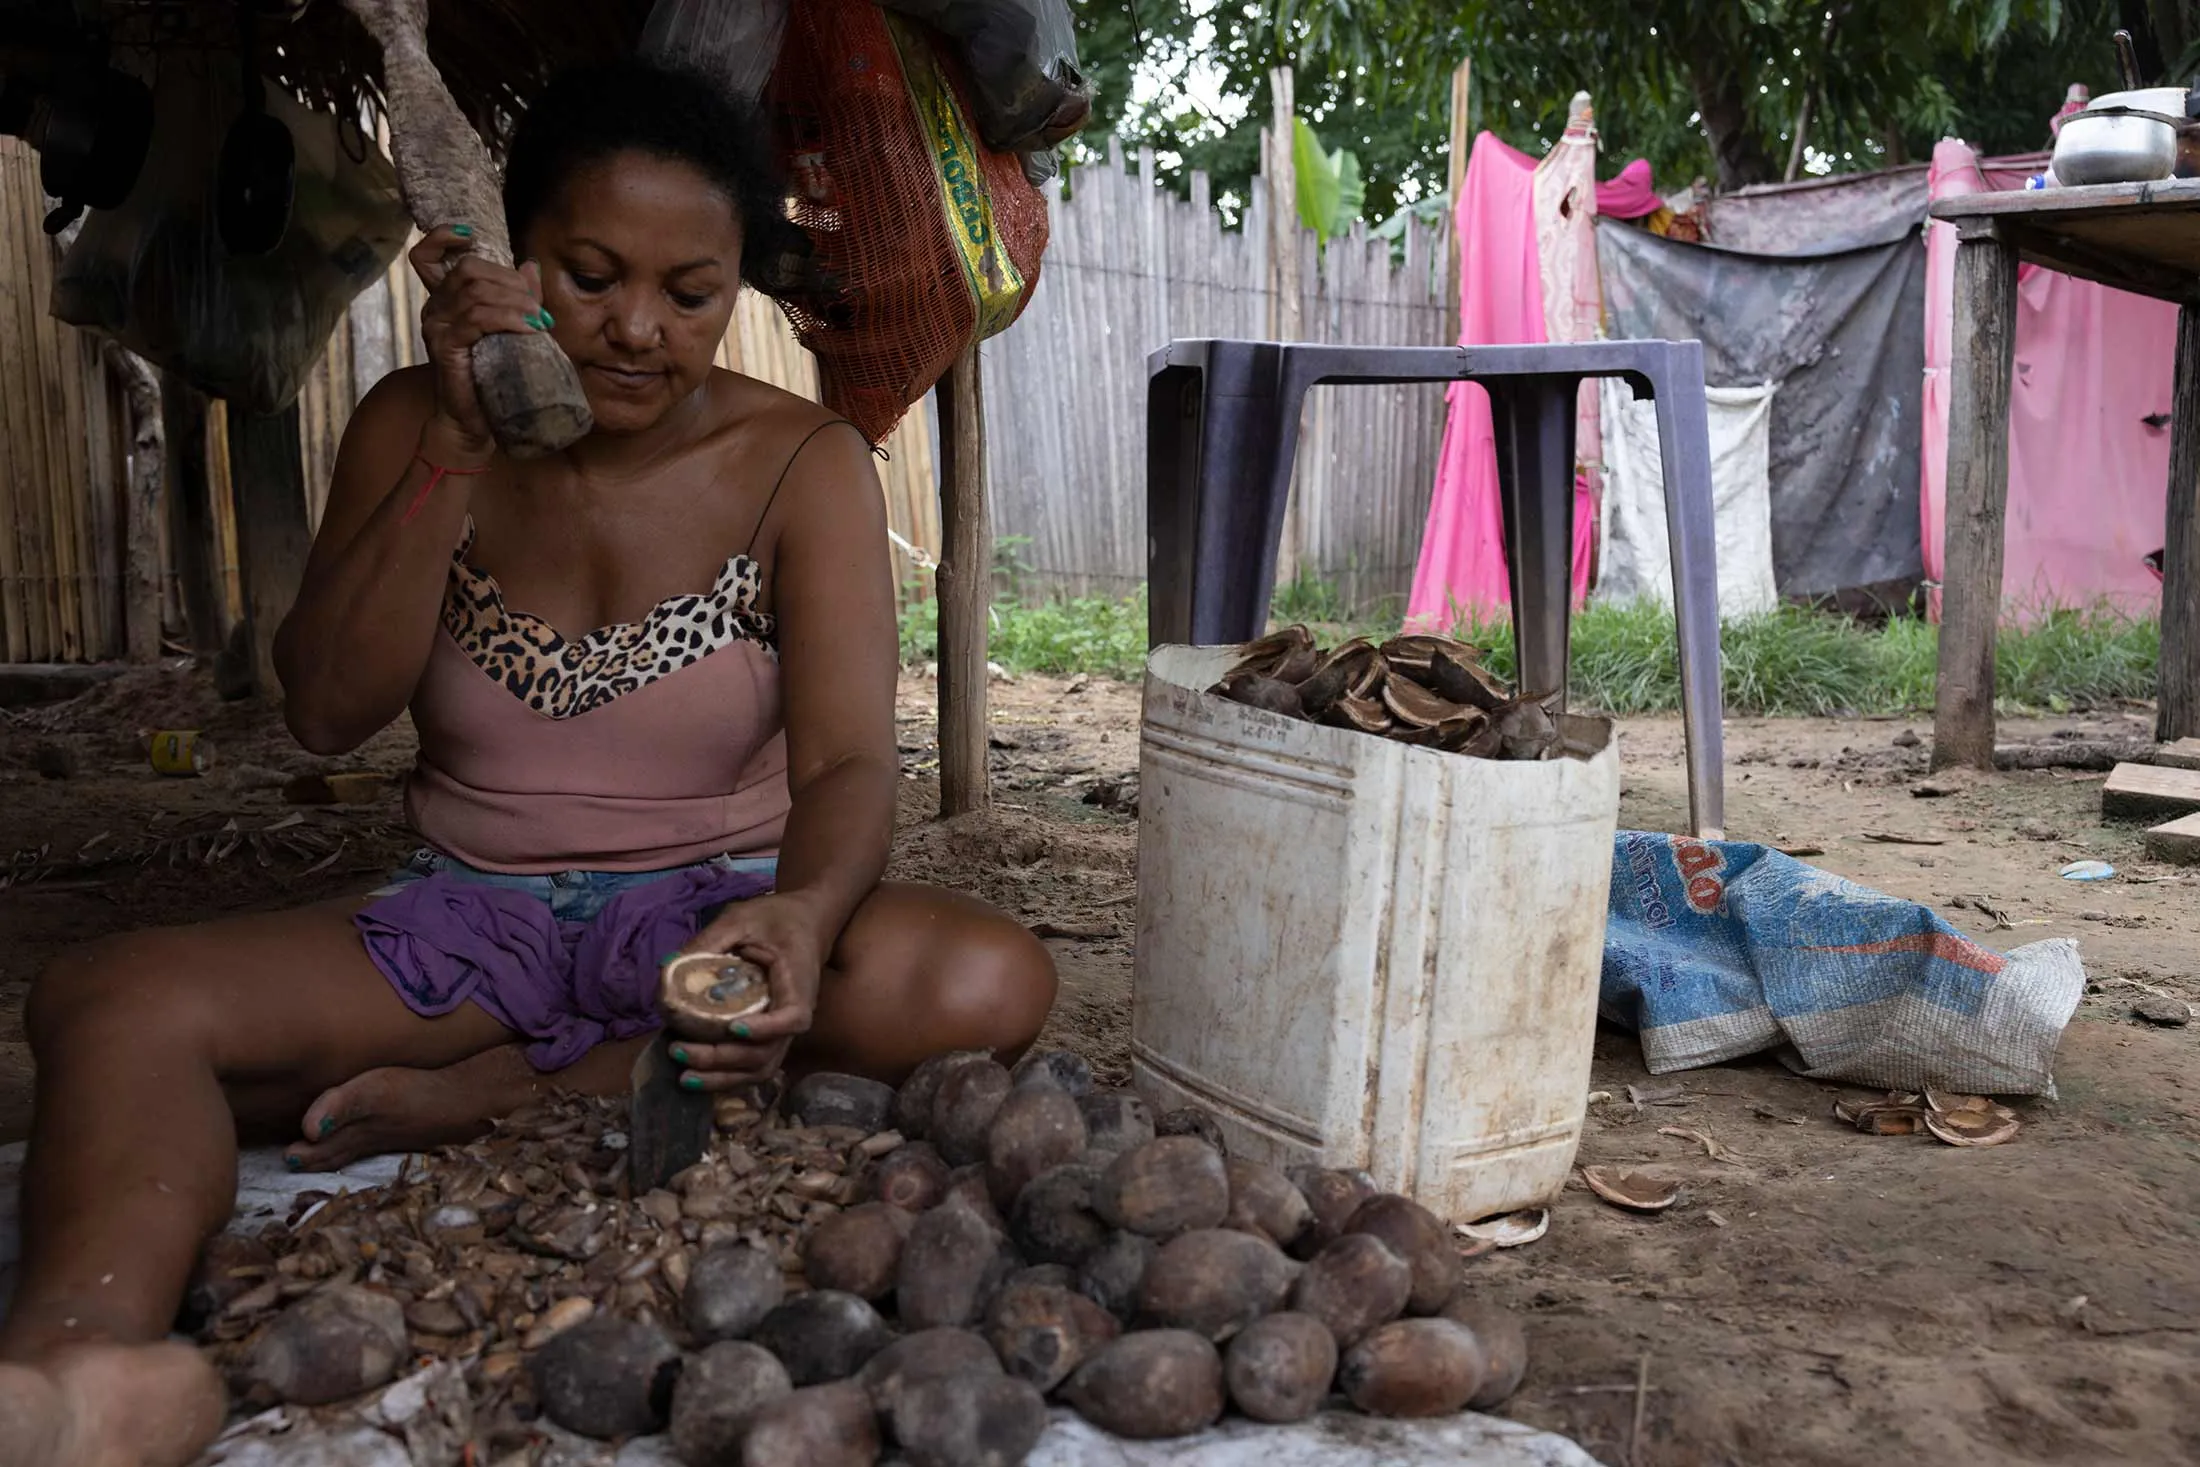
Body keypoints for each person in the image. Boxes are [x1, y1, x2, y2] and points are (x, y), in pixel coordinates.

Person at [0, 58, 1056, 1467]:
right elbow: (325, 712)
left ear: (737, 290)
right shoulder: (411, 422)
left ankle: (515, 1091)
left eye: (691, 294)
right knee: (106, 1005)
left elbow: (854, 763)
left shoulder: (800, 462)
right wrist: (452, 443)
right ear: (511, 258)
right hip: (462, 926)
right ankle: (84, 1367)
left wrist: (801, 917)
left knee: (987, 977)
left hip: (708, 936)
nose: (637, 328)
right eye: (590, 275)